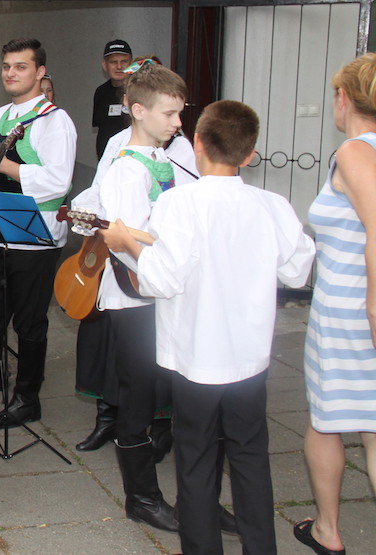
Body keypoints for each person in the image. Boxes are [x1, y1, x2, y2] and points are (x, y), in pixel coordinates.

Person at [101, 100, 316, 554]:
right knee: (250, 456)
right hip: (249, 358)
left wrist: (128, 245)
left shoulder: (179, 203)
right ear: (250, 154)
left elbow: (163, 280)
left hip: (195, 358)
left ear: (196, 142)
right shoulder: (271, 205)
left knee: (196, 459)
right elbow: (298, 271)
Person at [73, 61, 188, 532]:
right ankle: (141, 497)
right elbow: (124, 242)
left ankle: (172, 495)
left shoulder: (163, 158)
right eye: (169, 114)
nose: (177, 122)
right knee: (137, 401)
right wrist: (169, 261)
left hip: (160, 294)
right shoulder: (126, 169)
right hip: (135, 298)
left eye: (179, 113)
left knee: (156, 393)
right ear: (138, 111)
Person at [0, 38, 76, 430]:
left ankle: (27, 399)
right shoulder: (1, 114)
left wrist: (4, 165)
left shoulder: (54, 121)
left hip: (35, 237)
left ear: (40, 72)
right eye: (6, 66)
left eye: (21, 67)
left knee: (29, 323)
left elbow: (58, 181)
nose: (11, 73)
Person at [295, 53, 376, 555]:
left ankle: (327, 530)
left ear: (343, 98)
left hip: (351, 309)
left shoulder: (354, 151)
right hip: (358, 307)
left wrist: (373, 306)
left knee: (326, 420)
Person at [93, 39, 133, 159]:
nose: (119, 66)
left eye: (124, 61)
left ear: (132, 63)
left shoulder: (139, 91)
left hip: (131, 159)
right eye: (113, 62)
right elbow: (100, 128)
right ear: (105, 65)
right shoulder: (100, 92)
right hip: (106, 160)